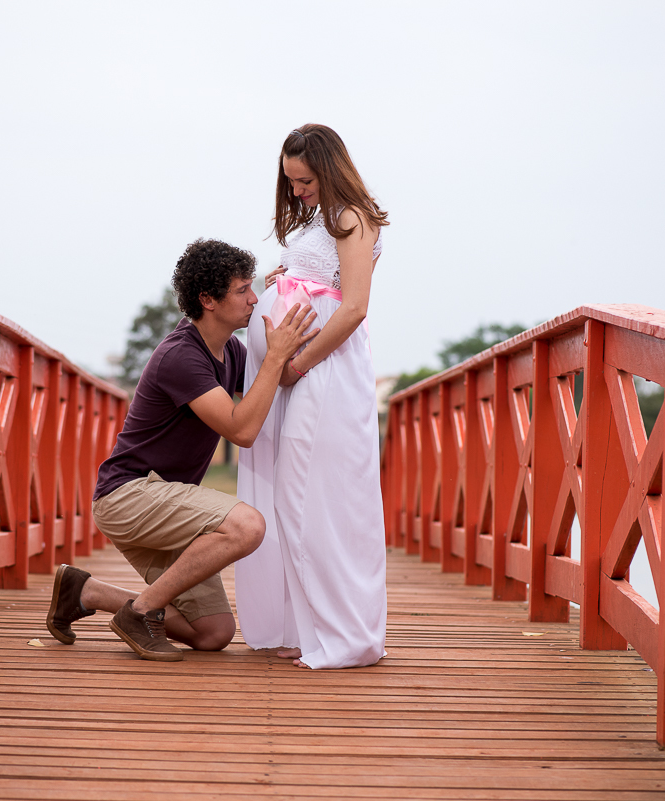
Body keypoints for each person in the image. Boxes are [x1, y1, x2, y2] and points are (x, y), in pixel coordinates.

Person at [46, 238, 317, 661]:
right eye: (243, 290)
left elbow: (276, 381)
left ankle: (86, 591)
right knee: (247, 526)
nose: (253, 298)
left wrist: (276, 308)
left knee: (212, 634)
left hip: (164, 499)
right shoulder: (181, 356)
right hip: (130, 496)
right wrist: (274, 356)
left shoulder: (229, 348)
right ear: (208, 300)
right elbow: (242, 430)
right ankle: (139, 613)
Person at [234, 124, 390, 669]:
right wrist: (281, 279)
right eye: (291, 182)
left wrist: (296, 363)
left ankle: (344, 636)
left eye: (304, 181)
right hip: (298, 372)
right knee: (294, 499)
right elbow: (318, 281)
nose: (297, 191)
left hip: (321, 373)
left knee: (307, 501)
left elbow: (353, 307)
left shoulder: (352, 217)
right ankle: (312, 627)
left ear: (328, 169)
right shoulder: (322, 220)